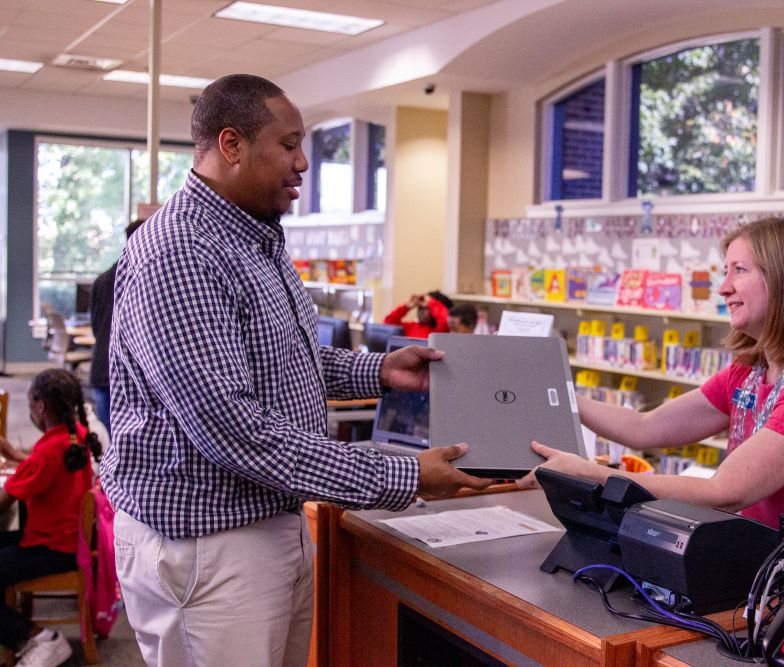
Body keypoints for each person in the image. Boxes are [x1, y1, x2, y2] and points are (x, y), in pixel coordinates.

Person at [100, 74, 491, 666]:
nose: (303, 163)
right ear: (231, 145)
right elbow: (235, 429)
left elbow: (284, 359)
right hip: (209, 544)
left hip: (268, 520)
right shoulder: (181, 253)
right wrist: (404, 476)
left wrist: (381, 372)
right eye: (288, 145)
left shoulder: (256, 240)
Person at [519, 217, 784, 529]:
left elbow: (726, 492)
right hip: (760, 559)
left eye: (739, 270)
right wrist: (558, 396)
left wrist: (589, 473)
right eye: (725, 272)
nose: (723, 288)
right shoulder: (748, 371)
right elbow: (645, 427)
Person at [0, 369, 102, 667]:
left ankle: (35, 637)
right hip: (68, 540)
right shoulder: (75, 438)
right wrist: (13, 452)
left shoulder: (49, 450)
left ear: (40, 406)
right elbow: (42, 468)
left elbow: (5, 502)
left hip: (51, 548)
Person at [88, 218, 145, 435]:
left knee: (114, 443)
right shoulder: (145, 276)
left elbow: (95, 326)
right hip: (129, 376)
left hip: (101, 368)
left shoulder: (102, 279)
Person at [383, 290, 452, 338]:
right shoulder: (412, 327)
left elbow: (446, 321)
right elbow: (389, 323)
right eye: (420, 307)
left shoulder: (439, 331)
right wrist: (406, 307)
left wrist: (431, 302)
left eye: (426, 308)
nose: (421, 311)